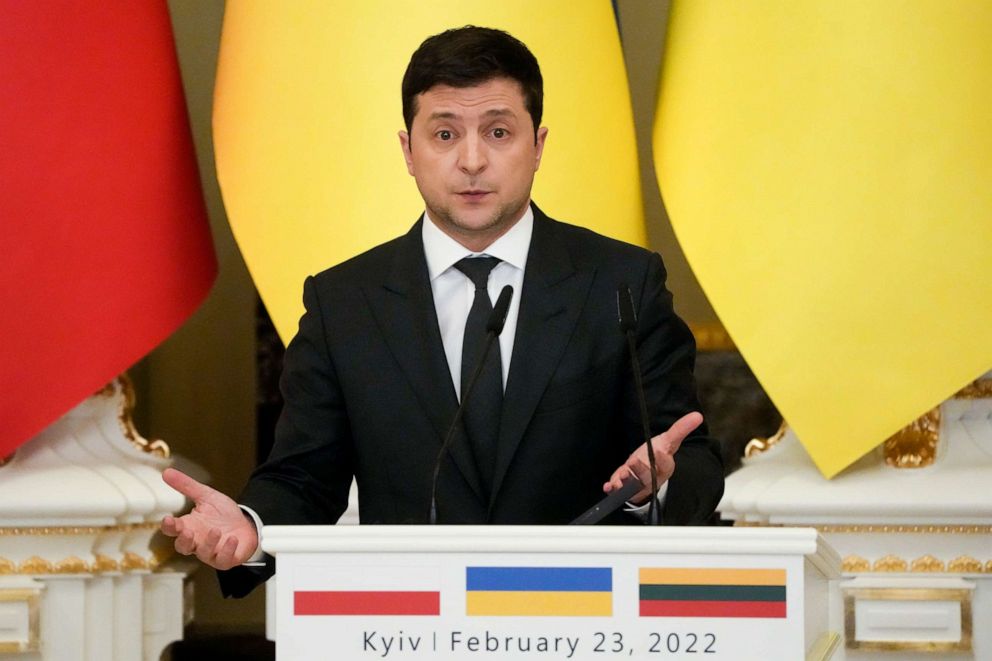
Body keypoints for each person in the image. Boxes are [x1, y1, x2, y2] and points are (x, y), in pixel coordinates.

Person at [161, 25, 724, 598]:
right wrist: (251, 530)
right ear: (409, 151)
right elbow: (305, 478)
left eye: (499, 132)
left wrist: (651, 488)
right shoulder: (346, 302)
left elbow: (691, 458)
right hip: (408, 624)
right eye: (445, 134)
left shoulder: (621, 284)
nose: (472, 161)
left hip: (581, 614)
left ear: (538, 145)